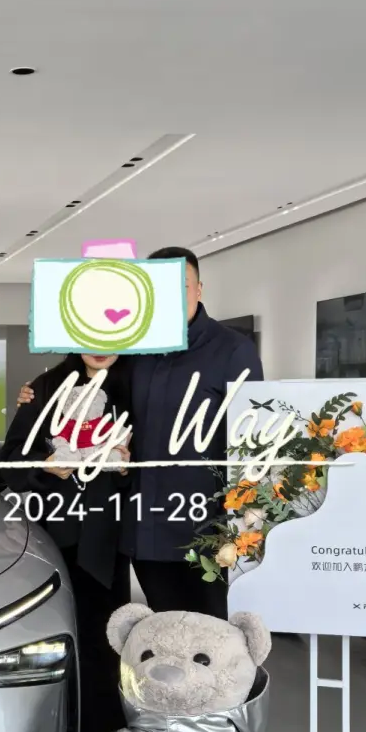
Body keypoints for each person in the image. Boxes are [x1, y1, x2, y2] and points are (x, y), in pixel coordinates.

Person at [123, 246, 263, 618]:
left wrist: (242, 525)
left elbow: (252, 443)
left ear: (199, 289)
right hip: (145, 529)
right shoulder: (136, 350)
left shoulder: (233, 350)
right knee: (163, 630)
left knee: (211, 635)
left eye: (180, 285)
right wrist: (35, 394)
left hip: (205, 529)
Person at [3, 351, 132, 732]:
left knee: (105, 640)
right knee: (48, 641)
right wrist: (43, 464)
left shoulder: (134, 387)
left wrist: (127, 467)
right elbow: (10, 459)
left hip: (109, 537)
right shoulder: (42, 389)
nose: (98, 345)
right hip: (54, 537)